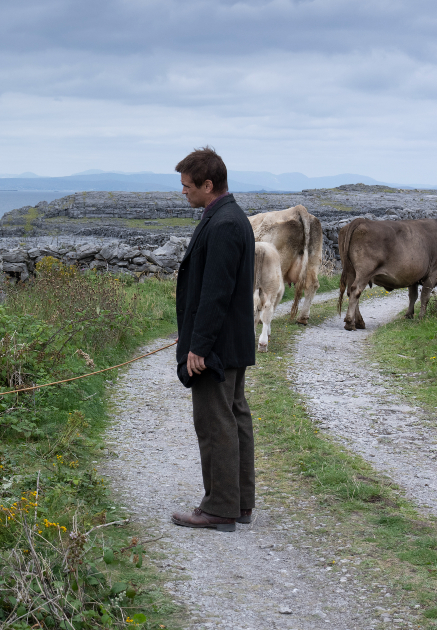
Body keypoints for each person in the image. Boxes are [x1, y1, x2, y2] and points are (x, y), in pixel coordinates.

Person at [170, 147, 256, 533]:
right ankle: (239, 503)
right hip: (231, 342)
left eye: (188, 186)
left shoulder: (223, 224)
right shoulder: (231, 217)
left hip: (216, 347)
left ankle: (220, 507)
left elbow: (216, 293)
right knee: (234, 419)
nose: (183, 192)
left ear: (209, 185)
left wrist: (199, 347)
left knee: (215, 422)